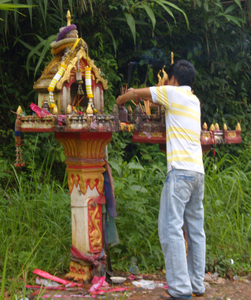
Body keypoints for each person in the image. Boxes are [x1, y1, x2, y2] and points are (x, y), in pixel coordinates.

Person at [116, 60, 205, 300]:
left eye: (167, 79)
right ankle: (196, 285)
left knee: (170, 228)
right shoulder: (194, 101)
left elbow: (138, 93)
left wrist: (120, 100)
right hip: (198, 172)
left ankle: (179, 289)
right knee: (195, 230)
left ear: (173, 79)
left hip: (180, 172)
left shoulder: (172, 93)